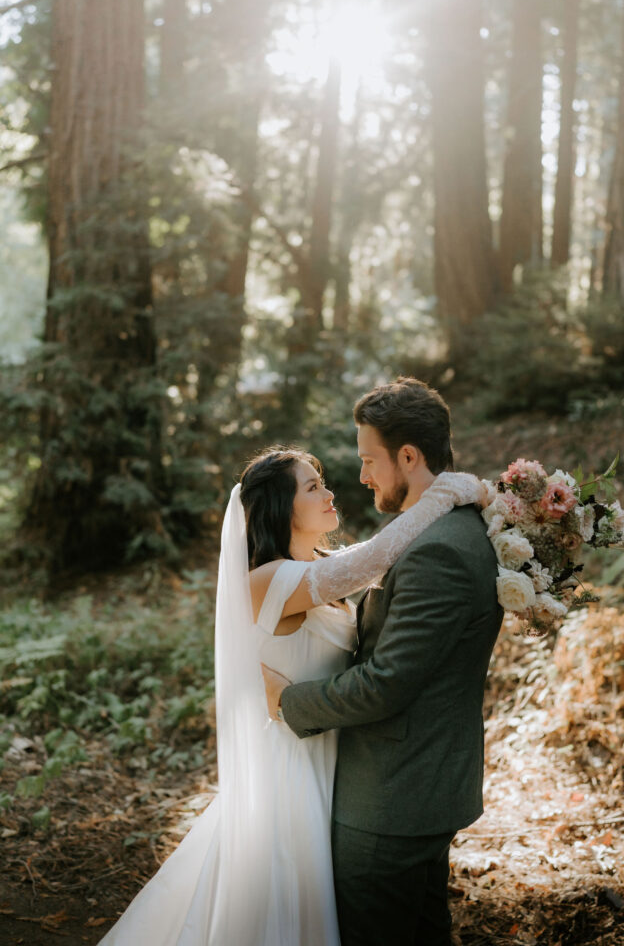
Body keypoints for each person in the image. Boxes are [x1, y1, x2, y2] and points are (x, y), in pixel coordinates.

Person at [98, 429, 485, 945]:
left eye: (323, 483)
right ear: (282, 507)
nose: (329, 494)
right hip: (291, 764)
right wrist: (446, 494)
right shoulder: (267, 580)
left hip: (338, 753)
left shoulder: (322, 566)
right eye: (311, 487)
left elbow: (375, 554)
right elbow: (375, 559)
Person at [262, 378, 503, 946]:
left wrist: (285, 701)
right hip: (421, 784)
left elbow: (386, 682)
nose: (363, 475)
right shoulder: (451, 527)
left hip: (391, 798)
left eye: (370, 459)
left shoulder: (437, 550)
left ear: (409, 456)